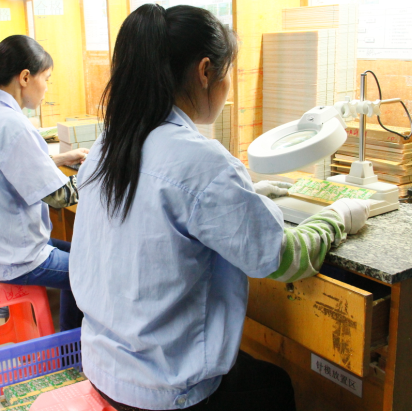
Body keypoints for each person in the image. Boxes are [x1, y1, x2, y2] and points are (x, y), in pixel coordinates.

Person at [69, 5, 371, 411]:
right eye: (230, 73)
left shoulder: (109, 145)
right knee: (276, 386)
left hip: (107, 368)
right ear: (206, 71)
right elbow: (283, 258)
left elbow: (168, 202)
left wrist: (250, 193)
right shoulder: (200, 161)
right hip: (166, 389)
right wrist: (337, 218)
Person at [0, 35, 87, 332]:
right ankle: (71, 346)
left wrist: (60, 158)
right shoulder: (10, 124)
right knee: (87, 270)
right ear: (26, 77)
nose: (47, 88)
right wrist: (101, 171)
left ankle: (68, 334)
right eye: (47, 79)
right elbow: (62, 197)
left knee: (80, 251)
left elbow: (11, 165)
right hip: (14, 257)